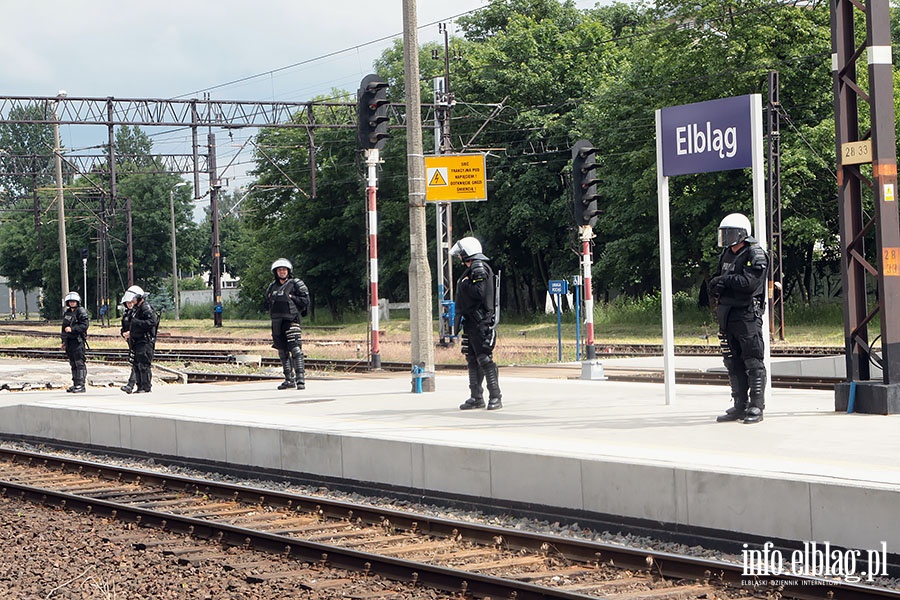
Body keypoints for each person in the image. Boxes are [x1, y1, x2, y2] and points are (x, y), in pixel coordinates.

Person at [708, 213, 768, 424]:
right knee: (732, 362)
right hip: (727, 314)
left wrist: (725, 280)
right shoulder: (726, 254)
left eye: (730, 233)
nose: (727, 238)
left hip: (746, 315)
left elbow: (749, 284)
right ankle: (739, 405)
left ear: (743, 234)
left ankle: (756, 406)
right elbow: (716, 280)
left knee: (752, 361)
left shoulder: (755, 254)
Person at [450, 236, 502, 411]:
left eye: (461, 254)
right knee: (472, 359)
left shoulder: (478, 267)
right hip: (472, 322)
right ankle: (476, 397)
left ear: (467, 254)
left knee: (484, 359)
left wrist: (464, 286)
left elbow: (479, 293)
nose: (459, 257)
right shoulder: (473, 268)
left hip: (481, 322)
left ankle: (495, 396)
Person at [265, 258, 310, 390]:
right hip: (277, 322)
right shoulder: (272, 286)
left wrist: (292, 298)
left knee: (296, 350)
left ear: (288, 271)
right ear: (276, 272)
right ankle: (288, 379)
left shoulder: (296, 283)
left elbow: (305, 301)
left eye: (284, 270)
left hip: (292, 320)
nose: (282, 272)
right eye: (279, 270)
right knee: (282, 351)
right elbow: (266, 303)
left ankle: (300, 379)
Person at [123, 285, 157, 394]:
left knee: (144, 365)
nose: (131, 301)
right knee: (137, 364)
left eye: (133, 298)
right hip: (137, 340)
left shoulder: (145, 307)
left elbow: (152, 322)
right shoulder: (136, 309)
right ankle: (140, 386)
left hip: (145, 340)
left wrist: (136, 323)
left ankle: (146, 387)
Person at [61, 291, 89, 393]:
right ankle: (75, 383)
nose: (72, 303)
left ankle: (81, 385)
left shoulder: (81, 311)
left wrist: (73, 329)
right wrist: (63, 341)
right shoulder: (67, 313)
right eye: (70, 301)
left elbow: (84, 325)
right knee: (73, 363)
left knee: (79, 363)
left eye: (74, 301)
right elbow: (63, 328)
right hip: (69, 341)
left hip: (78, 341)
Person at [119, 292, 138, 394]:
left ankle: (131, 385)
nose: (129, 304)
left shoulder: (137, 313)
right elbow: (123, 328)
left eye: (131, 302)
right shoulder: (126, 314)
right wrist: (124, 334)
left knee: (137, 363)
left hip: (138, 340)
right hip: (130, 341)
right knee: (134, 362)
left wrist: (132, 333)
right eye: (127, 303)